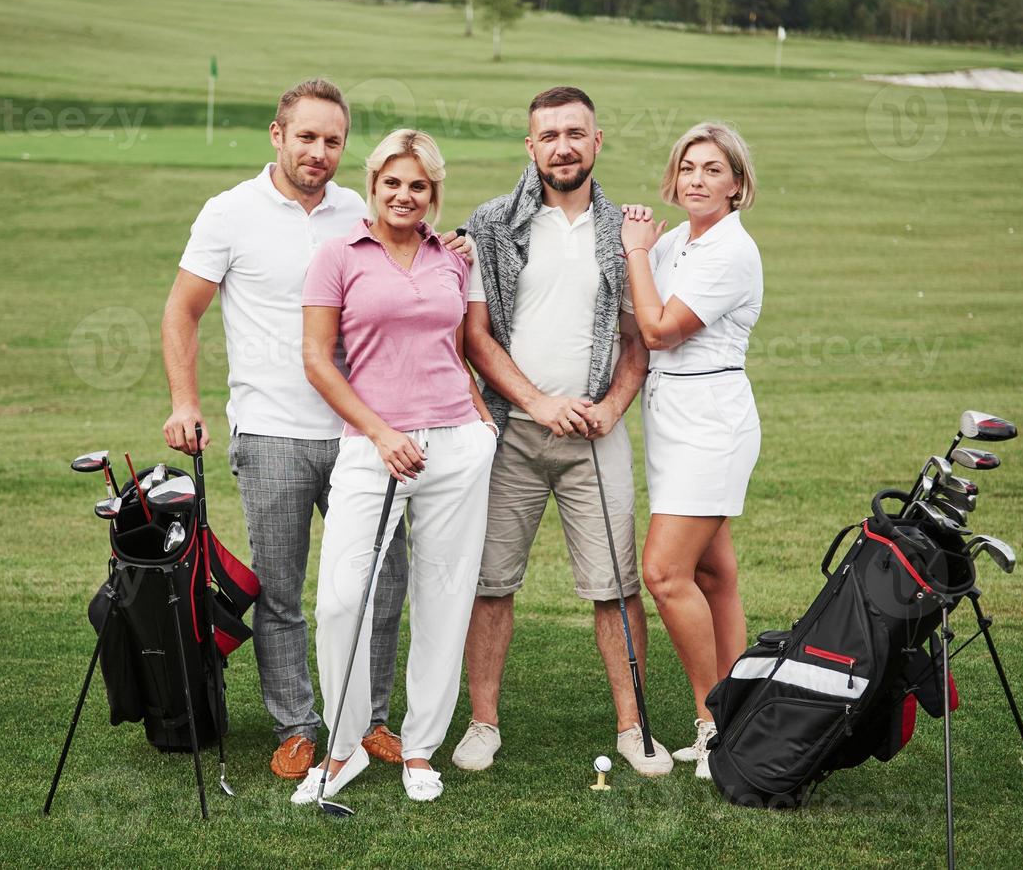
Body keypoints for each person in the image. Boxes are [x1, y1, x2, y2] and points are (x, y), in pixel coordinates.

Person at [160, 79, 472, 781]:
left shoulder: (359, 211)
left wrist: (449, 248)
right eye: (306, 137)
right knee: (281, 588)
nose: (319, 152)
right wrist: (186, 401)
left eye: (332, 140)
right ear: (277, 135)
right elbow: (182, 311)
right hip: (270, 430)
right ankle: (298, 724)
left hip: (365, 432)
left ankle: (372, 720)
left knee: (382, 581)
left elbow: (413, 265)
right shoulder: (229, 213)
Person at [450, 86, 668, 776]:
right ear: (530, 146)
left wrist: (612, 407)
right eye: (549, 135)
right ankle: (482, 722)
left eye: (575, 133)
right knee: (490, 582)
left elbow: (638, 338)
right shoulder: (489, 224)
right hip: (510, 429)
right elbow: (475, 339)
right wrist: (537, 402)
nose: (563, 146)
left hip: (596, 435)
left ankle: (634, 727)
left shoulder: (629, 232)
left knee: (616, 585)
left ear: (596, 141)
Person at [294, 129, 497, 804]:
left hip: (456, 447)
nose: (404, 195)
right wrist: (381, 434)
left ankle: (418, 750)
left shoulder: (455, 259)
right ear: (373, 184)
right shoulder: (337, 255)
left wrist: (480, 420)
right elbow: (319, 360)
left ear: (433, 194)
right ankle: (343, 748)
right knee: (340, 600)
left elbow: (471, 343)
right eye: (392, 182)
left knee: (442, 600)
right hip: (371, 448)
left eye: (418, 185)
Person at [619, 121, 763, 779]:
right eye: (687, 168)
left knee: (664, 573)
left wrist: (632, 253)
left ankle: (711, 726)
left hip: (710, 422)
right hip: (673, 419)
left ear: (736, 184)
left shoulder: (729, 251)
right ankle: (738, 720)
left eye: (712, 169)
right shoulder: (677, 240)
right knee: (711, 574)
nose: (697, 180)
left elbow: (657, 329)